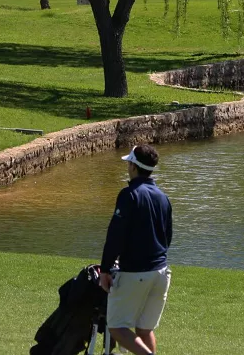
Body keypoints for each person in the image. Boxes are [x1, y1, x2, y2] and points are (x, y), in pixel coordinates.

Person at [100, 144, 173, 355]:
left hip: (135, 273)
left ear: (133, 166)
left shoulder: (129, 194)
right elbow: (167, 237)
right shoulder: (163, 197)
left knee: (117, 327)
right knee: (143, 329)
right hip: (161, 274)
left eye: (129, 163)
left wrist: (105, 269)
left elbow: (115, 236)